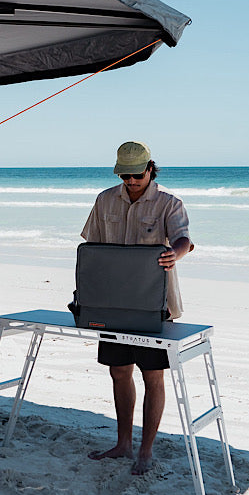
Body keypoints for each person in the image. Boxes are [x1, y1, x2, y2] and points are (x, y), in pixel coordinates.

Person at [81, 141, 193, 475]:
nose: (130, 181)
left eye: (136, 175)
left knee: (153, 376)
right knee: (118, 372)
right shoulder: (104, 200)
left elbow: (184, 239)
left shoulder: (169, 204)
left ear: (150, 169)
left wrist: (176, 253)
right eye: (125, 175)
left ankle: (146, 451)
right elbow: (92, 246)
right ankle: (123, 444)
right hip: (113, 303)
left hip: (153, 305)